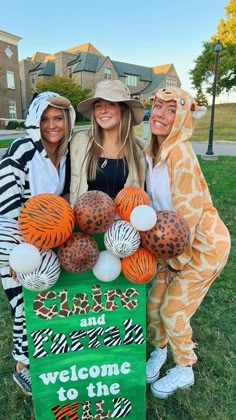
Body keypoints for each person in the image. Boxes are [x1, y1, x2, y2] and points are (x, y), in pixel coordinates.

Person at [145, 87, 231, 399]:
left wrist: (174, 264)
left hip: (204, 247)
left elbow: (189, 215)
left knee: (173, 310)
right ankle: (160, 349)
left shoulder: (179, 153)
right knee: (153, 305)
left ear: (182, 118)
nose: (161, 114)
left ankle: (185, 368)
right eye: (158, 106)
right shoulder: (152, 151)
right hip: (169, 247)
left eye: (171, 110)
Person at [0, 91, 76, 395]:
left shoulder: (65, 153)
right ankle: (23, 366)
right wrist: (15, 256)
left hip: (47, 239)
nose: (52, 125)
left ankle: (45, 353)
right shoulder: (21, 151)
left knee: (44, 299)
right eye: (44, 119)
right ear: (34, 120)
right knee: (22, 303)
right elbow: (6, 207)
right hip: (14, 239)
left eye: (58, 118)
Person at [70, 79, 146, 206]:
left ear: (123, 110)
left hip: (122, 224)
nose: (103, 110)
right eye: (98, 105)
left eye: (111, 104)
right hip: (82, 222)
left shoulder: (139, 151)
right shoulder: (78, 142)